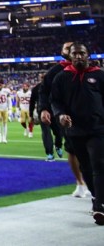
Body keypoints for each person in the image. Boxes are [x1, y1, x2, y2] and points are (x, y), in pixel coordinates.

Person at [50, 42, 104, 225]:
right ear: (70, 56)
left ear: (88, 55)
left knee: (99, 164)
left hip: (98, 129)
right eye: (75, 54)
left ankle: (99, 205)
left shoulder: (99, 74)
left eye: (82, 53)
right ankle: (98, 200)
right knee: (86, 168)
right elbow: (55, 101)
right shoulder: (62, 77)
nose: (79, 56)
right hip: (75, 130)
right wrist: (60, 115)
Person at [40, 41, 90, 197]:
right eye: (67, 48)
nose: (71, 51)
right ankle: (80, 183)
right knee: (73, 149)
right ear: (63, 52)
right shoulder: (57, 71)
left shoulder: (92, 69)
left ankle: (92, 183)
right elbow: (44, 91)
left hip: (91, 116)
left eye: (73, 48)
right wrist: (43, 109)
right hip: (67, 117)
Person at [30, 80, 63, 161]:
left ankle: (58, 145)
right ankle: (50, 153)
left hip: (54, 112)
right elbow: (32, 102)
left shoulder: (55, 86)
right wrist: (31, 115)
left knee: (59, 132)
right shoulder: (36, 88)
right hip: (42, 113)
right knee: (46, 132)